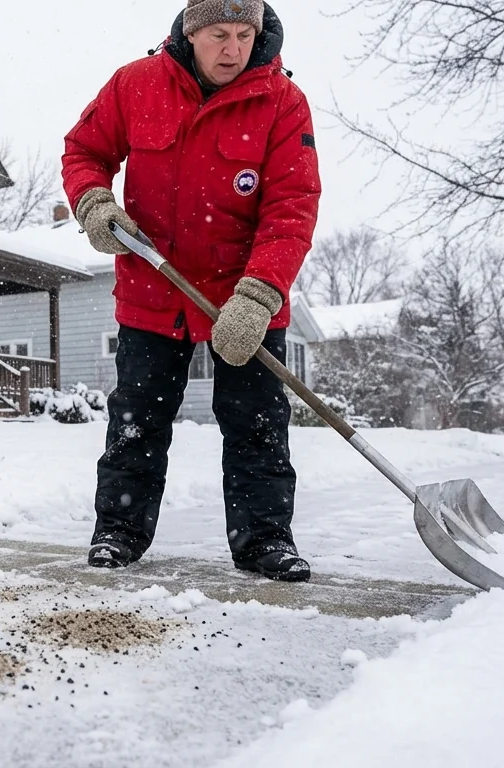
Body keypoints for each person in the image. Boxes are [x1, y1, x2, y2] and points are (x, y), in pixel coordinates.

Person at [62, 0, 321, 581]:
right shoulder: (136, 84)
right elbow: (84, 151)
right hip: (154, 285)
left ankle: (264, 541)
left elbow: (292, 206)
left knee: (256, 420)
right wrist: (93, 201)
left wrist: (258, 297)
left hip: (244, 294)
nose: (234, 50)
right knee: (137, 418)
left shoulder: (281, 101)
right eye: (219, 35)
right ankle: (119, 532)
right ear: (190, 30)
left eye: (245, 34)